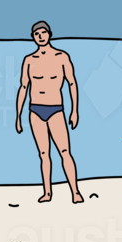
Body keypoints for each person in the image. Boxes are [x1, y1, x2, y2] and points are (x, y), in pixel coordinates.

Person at [15, 21, 83, 204]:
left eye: (43, 32)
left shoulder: (61, 57)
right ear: (33, 37)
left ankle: (75, 192)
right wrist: (18, 116)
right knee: (44, 154)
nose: (40, 36)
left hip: (56, 109)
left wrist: (75, 110)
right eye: (36, 33)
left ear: (49, 34)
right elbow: (23, 87)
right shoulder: (29, 60)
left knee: (64, 151)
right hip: (35, 110)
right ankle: (47, 192)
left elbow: (72, 83)